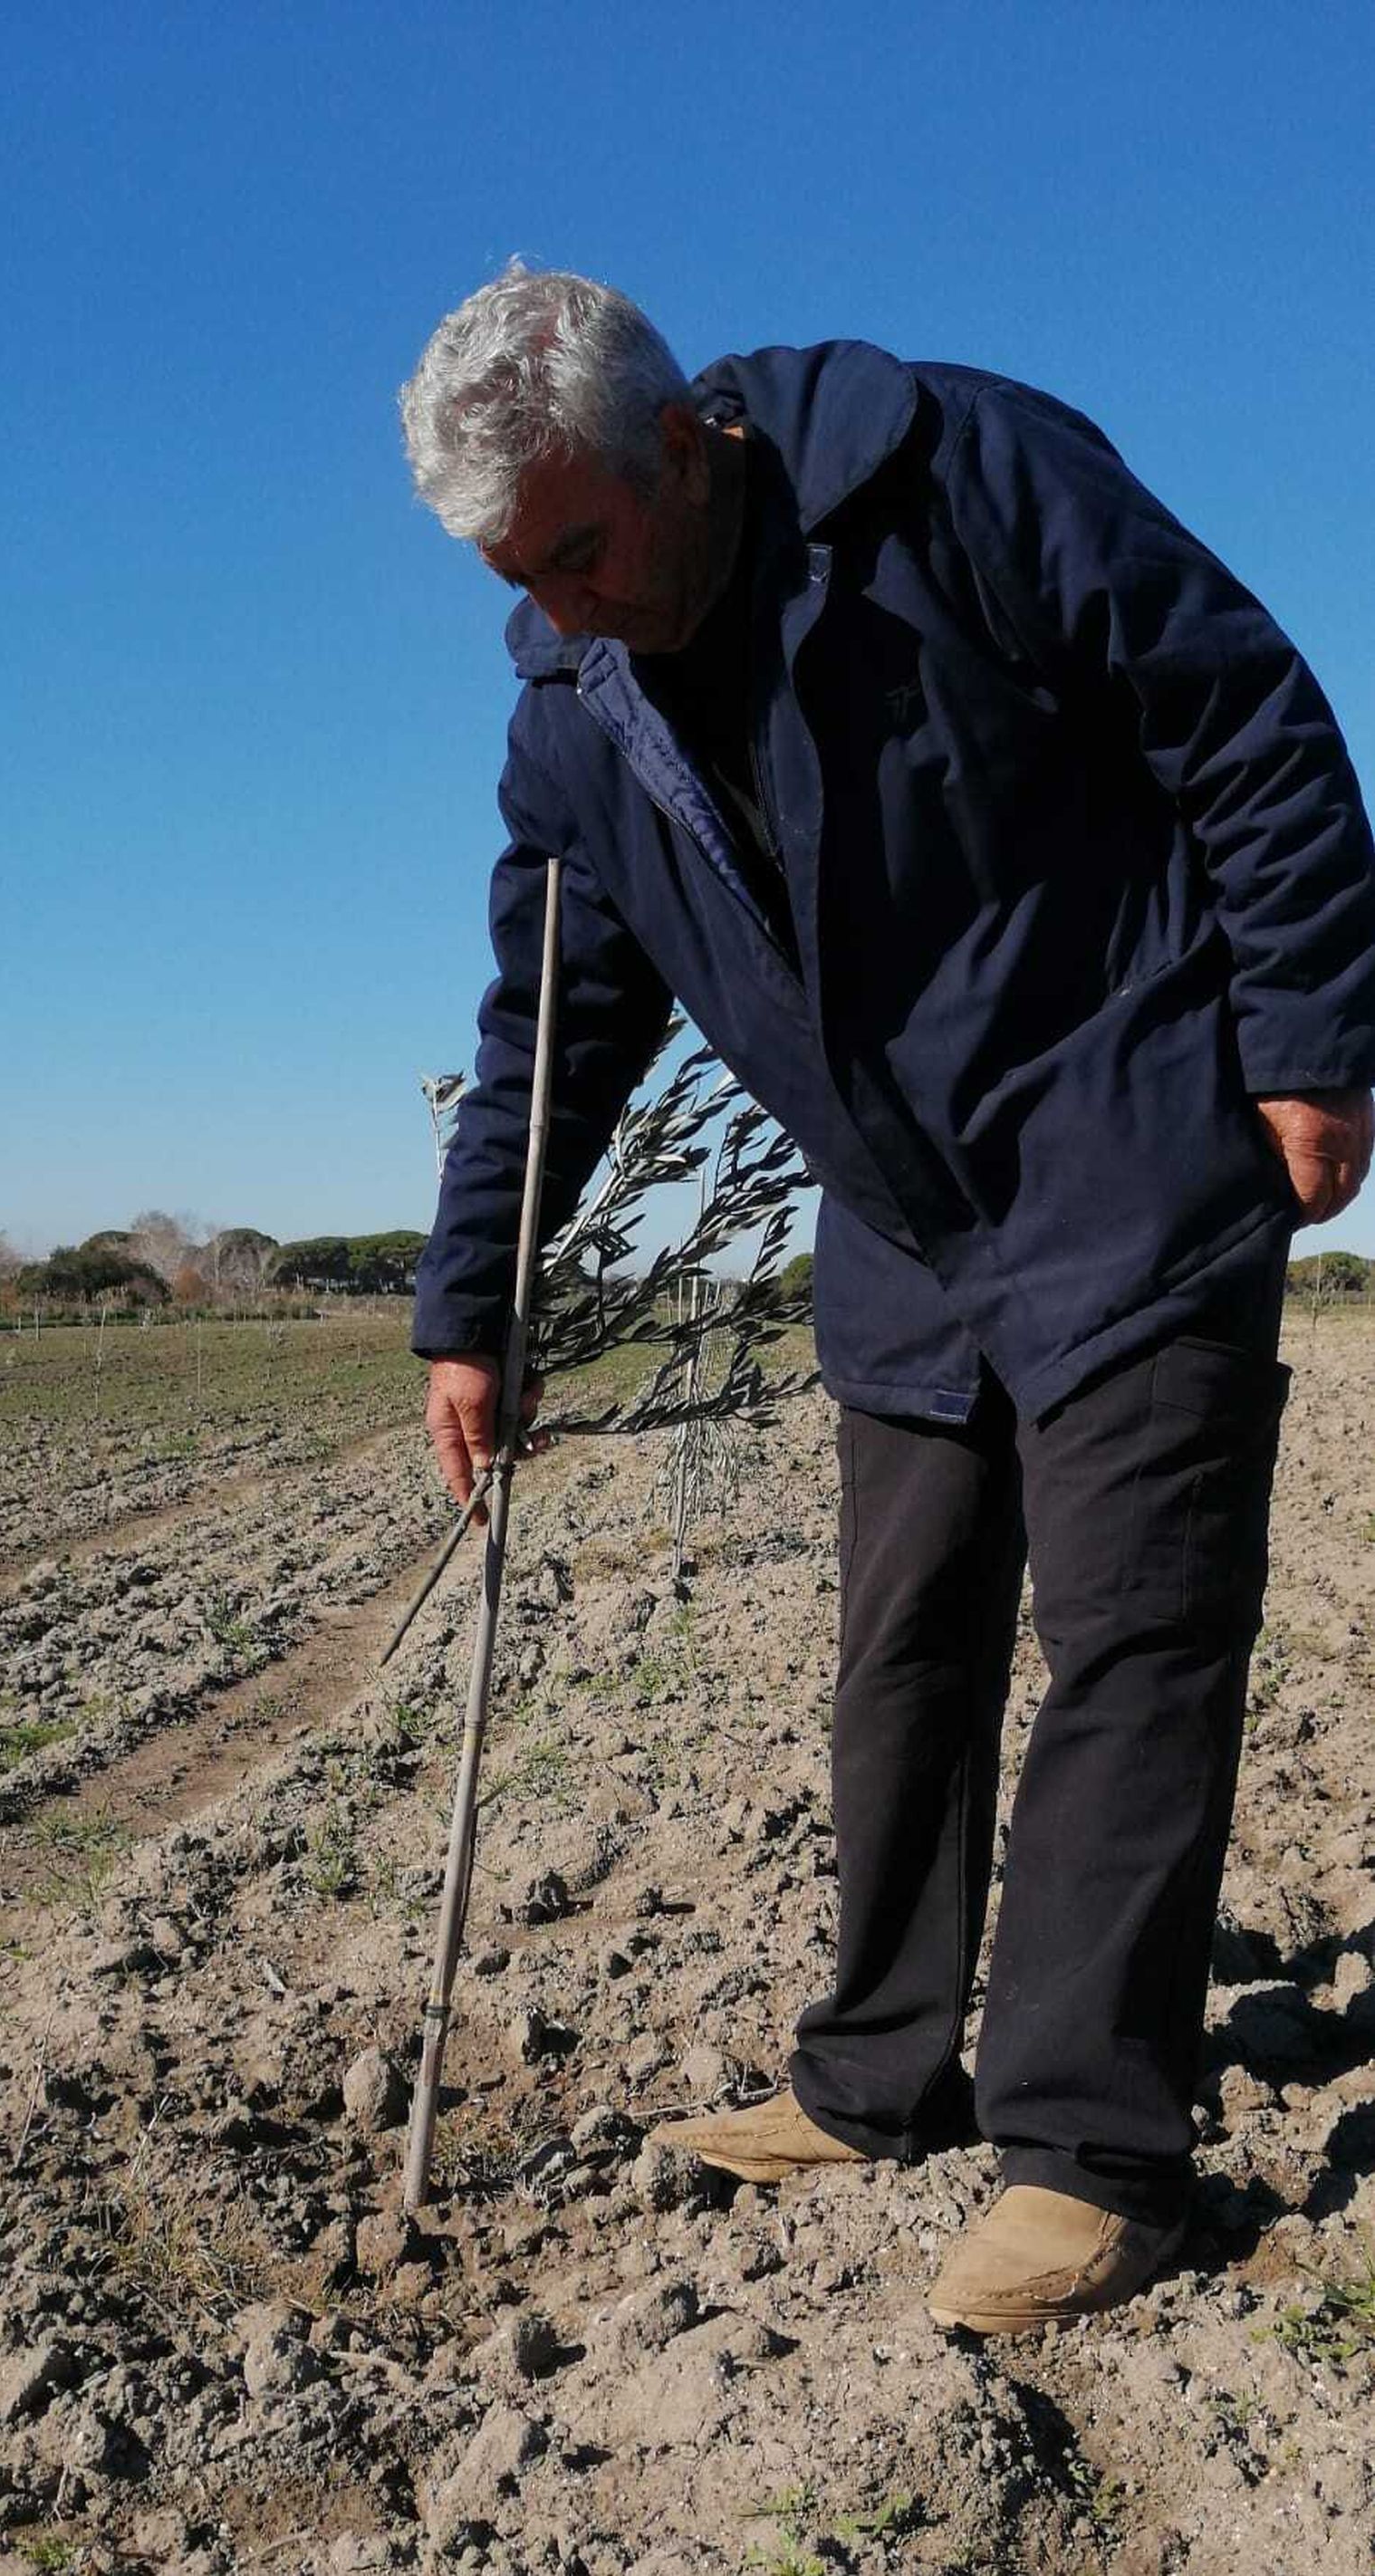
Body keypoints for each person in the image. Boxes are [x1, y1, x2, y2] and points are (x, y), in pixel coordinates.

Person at [398, 263, 1375, 2335]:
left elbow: (1244, 716)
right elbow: (549, 1037)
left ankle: (1090, 2147)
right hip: (901, 1226)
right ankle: (872, 2075)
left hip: (1122, 1130)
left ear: (684, 441)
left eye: (578, 549)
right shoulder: (576, 721)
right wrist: (472, 1306)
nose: (560, 607)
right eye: (515, 578)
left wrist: (1305, 1032)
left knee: (1132, 1639)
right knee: (901, 1653)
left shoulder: (957, 473)